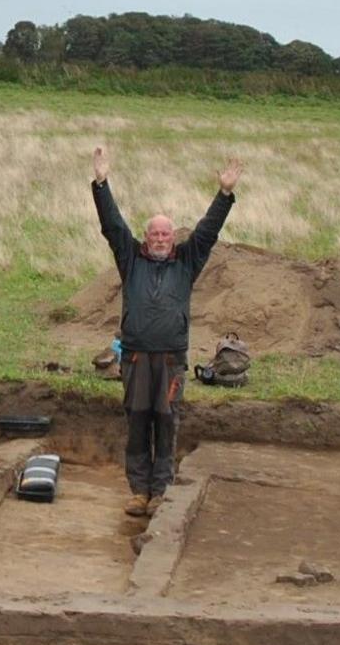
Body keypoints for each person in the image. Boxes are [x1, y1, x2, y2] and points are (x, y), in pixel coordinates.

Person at [92, 146, 240, 521]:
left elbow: (207, 233)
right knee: (138, 422)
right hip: (137, 358)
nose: (160, 238)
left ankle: (160, 492)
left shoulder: (187, 261)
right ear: (146, 237)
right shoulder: (130, 259)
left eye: (165, 233)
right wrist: (101, 183)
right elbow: (112, 226)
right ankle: (139, 492)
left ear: (173, 237)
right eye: (154, 233)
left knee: (166, 421)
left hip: (171, 360)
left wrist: (223, 195)